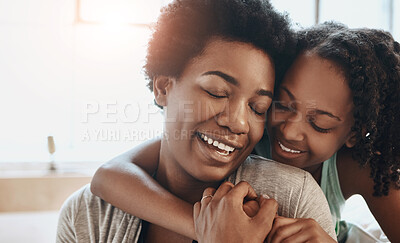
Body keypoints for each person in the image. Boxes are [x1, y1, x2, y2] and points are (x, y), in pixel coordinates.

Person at [90, 21, 400, 242]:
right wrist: (208, 232)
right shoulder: (243, 133)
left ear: (354, 134)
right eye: (281, 105)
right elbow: (108, 176)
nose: (290, 131)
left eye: (320, 124)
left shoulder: (359, 169)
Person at [56, 0, 336, 242]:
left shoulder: (292, 199)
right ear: (163, 87)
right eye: (217, 92)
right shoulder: (87, 212)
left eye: (258, 107)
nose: (238, 123)